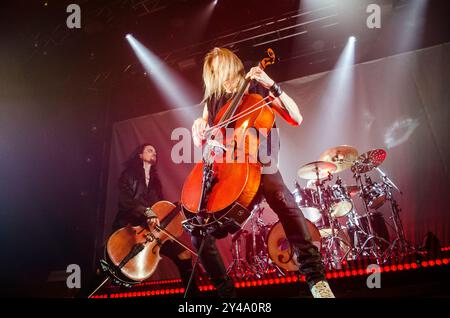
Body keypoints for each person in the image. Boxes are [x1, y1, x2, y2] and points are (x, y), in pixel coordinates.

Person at [190, 47, 335, 298]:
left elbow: (296, 117)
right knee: (198, 229)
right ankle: (226, 295)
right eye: (210, 72)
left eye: (217, 69)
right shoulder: (213, 100)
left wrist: (272, 85)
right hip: (228, 171)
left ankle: (315, 278)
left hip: (260, 163)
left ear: (230, 65)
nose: (214, 75)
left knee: (285, 202)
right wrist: (199, 127)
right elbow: (204, 137)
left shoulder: (255, 86)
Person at [112, 143, 198, 295]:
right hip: (131, 228)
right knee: (122, 269)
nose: (154, 153)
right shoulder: (128, 175)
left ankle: (193, 300)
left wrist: (177, 206)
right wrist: (146, 211)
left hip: (152, 232)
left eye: (155, 151)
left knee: (185, 255)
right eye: (150, 150)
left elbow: (159, 207)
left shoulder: (155, 182)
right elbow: (125, 202)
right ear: (140, 155)